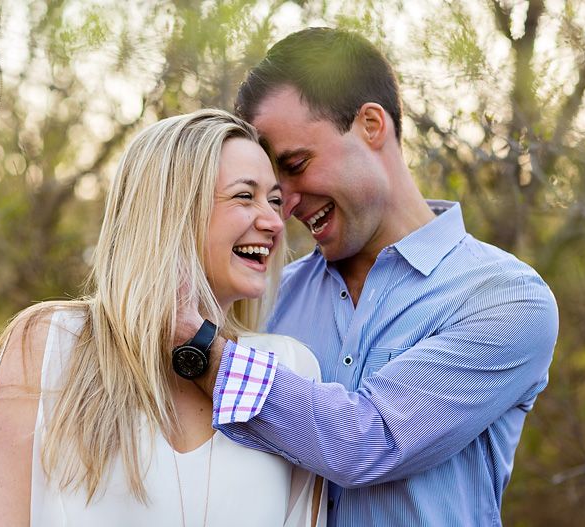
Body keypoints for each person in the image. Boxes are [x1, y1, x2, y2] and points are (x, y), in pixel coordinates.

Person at [174, 28, 559, 526]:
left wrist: (200, 350)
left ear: (372, 126)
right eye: (271, 186)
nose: (284, 204)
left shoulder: (504, 300)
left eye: (295, 165)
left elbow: (368, 439)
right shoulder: (267, 298)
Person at [0, 109, 326, 526]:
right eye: (244, 196)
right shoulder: (51, 344)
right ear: (171, 209)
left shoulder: (290, 367)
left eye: (274, 201)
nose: (274, 221)